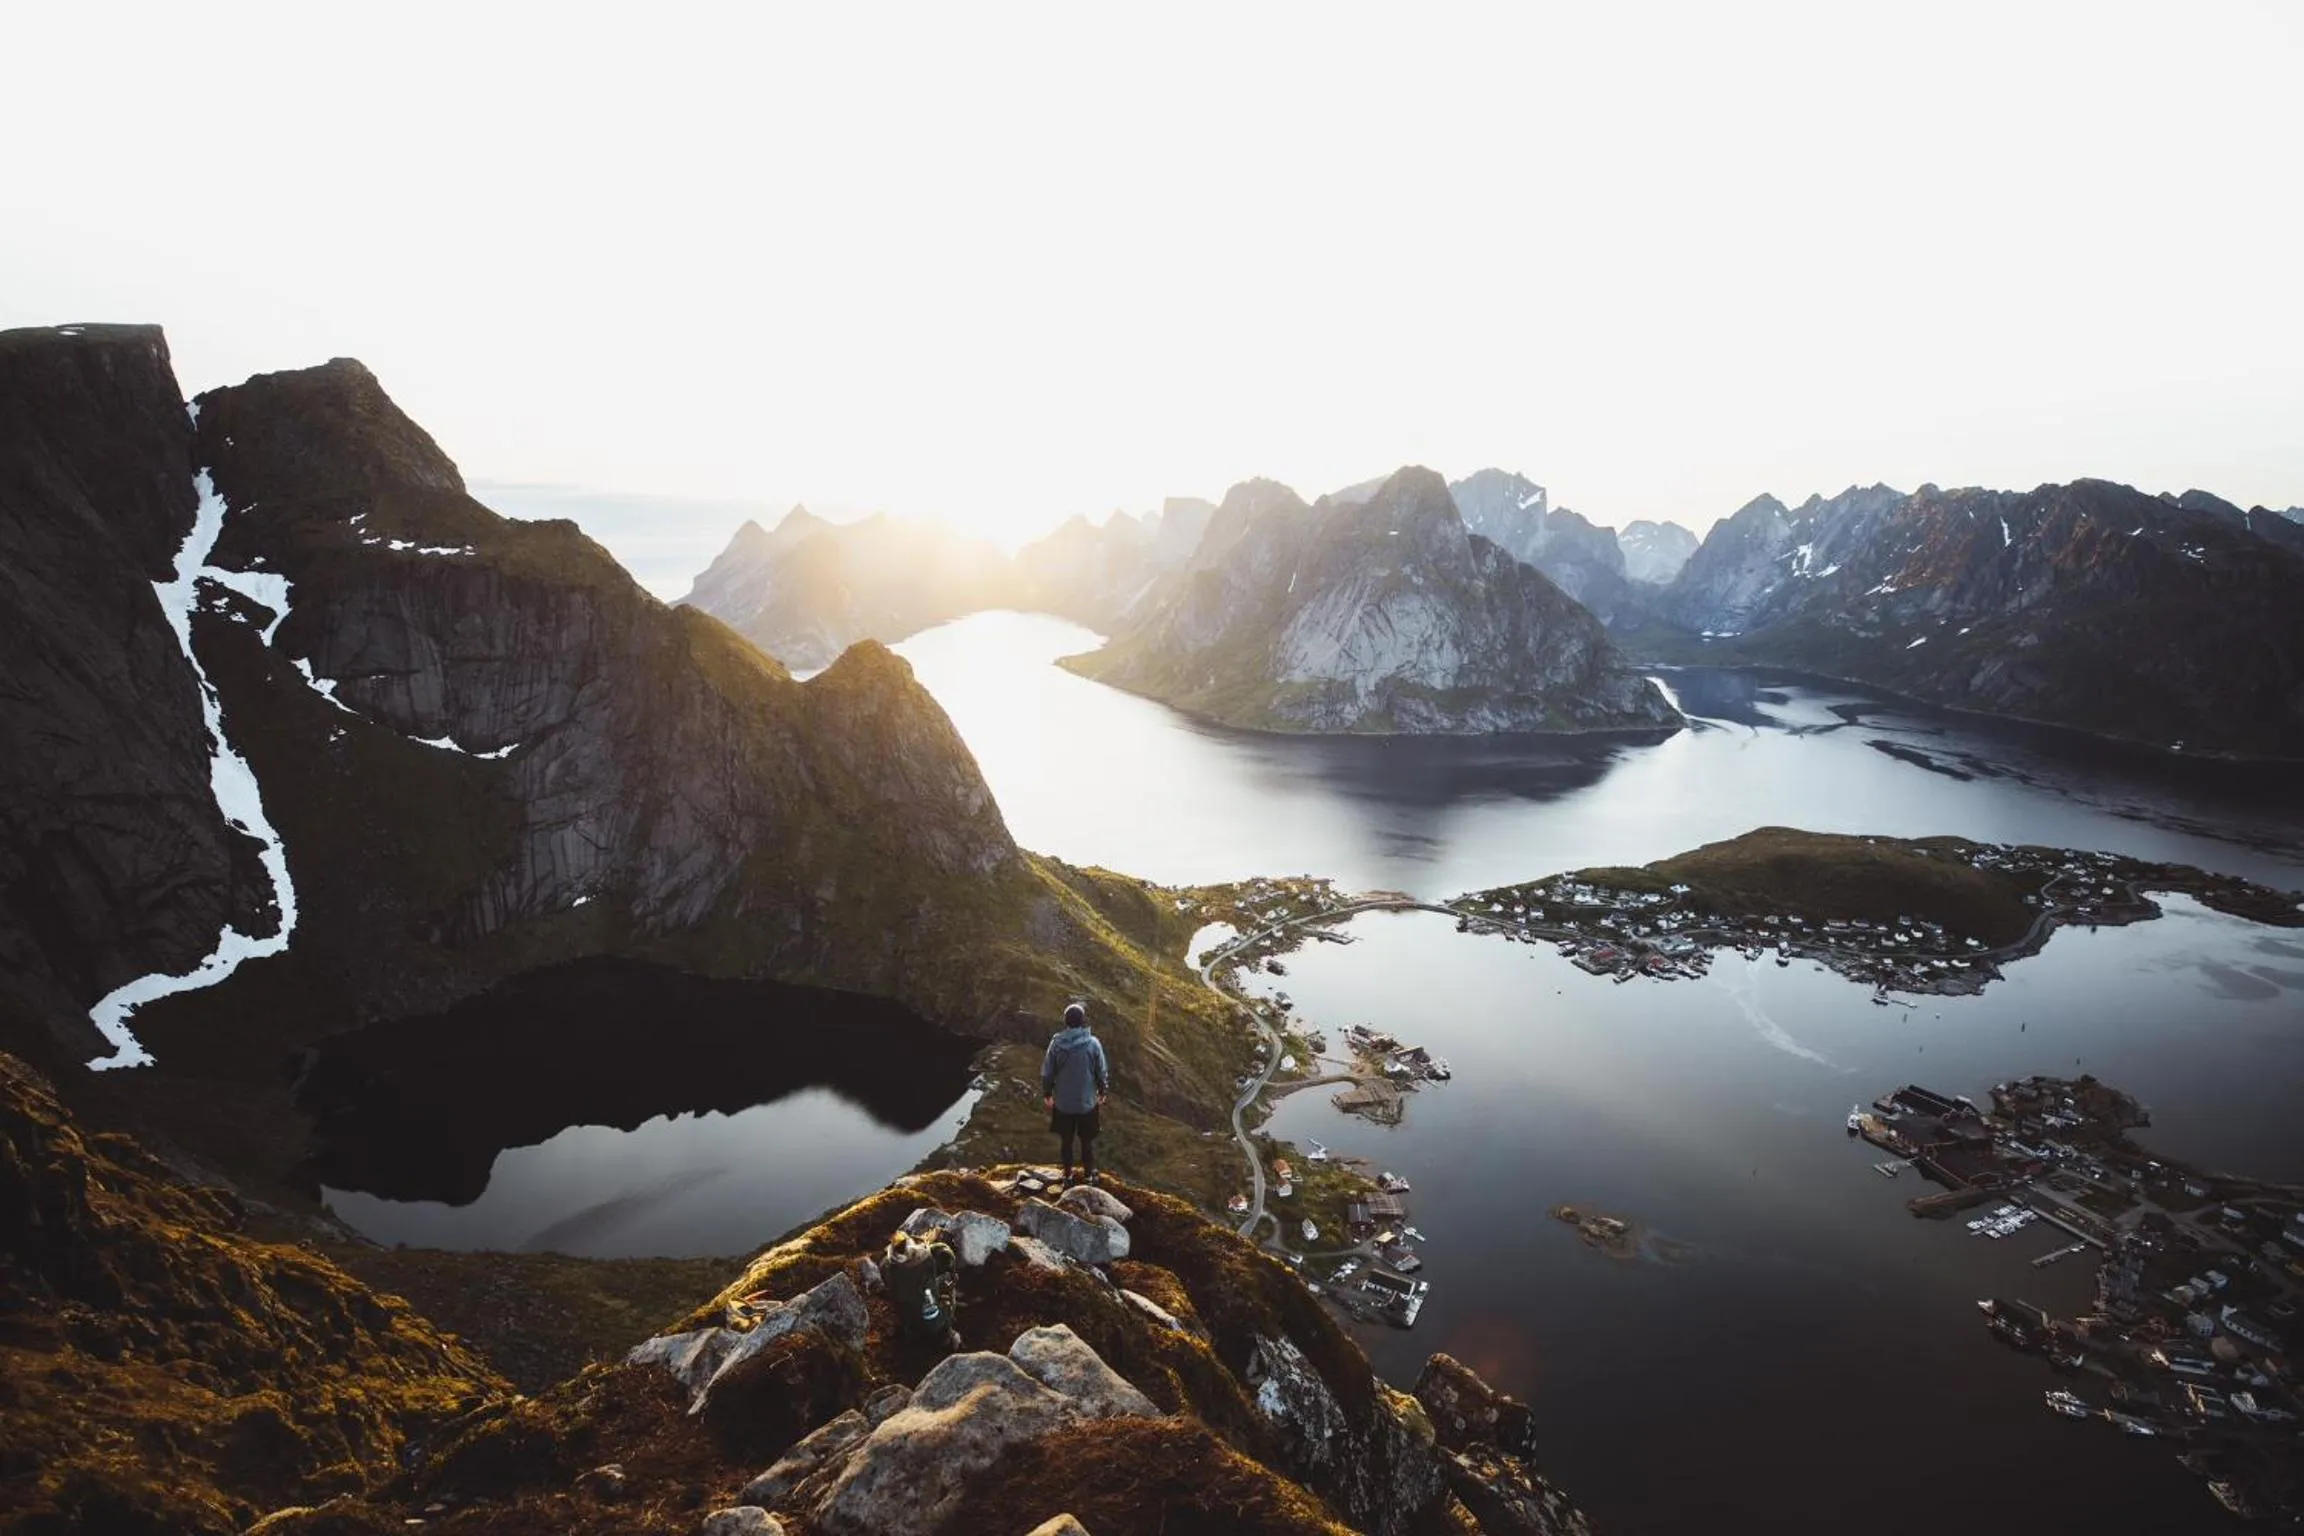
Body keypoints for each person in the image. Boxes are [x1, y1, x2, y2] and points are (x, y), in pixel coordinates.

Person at [1041, 999, 1110, 1184]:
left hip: (1063, 1103)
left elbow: (1048, 1072)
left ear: (1066, 1021)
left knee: (1066, 1141)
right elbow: (1101, 1071)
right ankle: (1088, 1176)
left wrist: (1047, 1094)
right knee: (1087, 1142)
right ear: (1083, 1021)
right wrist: (1103, 1091)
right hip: (1087, 1103)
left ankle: (1068, 1175)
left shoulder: (1056, 1044)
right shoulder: (1093, 1044)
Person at [882, 1229, 959, 1350]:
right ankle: (947, 1333)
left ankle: (910, 1330)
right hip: (930, 1322)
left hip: (908, 1321)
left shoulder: (886, 1265)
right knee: (947, 1288)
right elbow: (931, 1288)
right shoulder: (926, 1261)